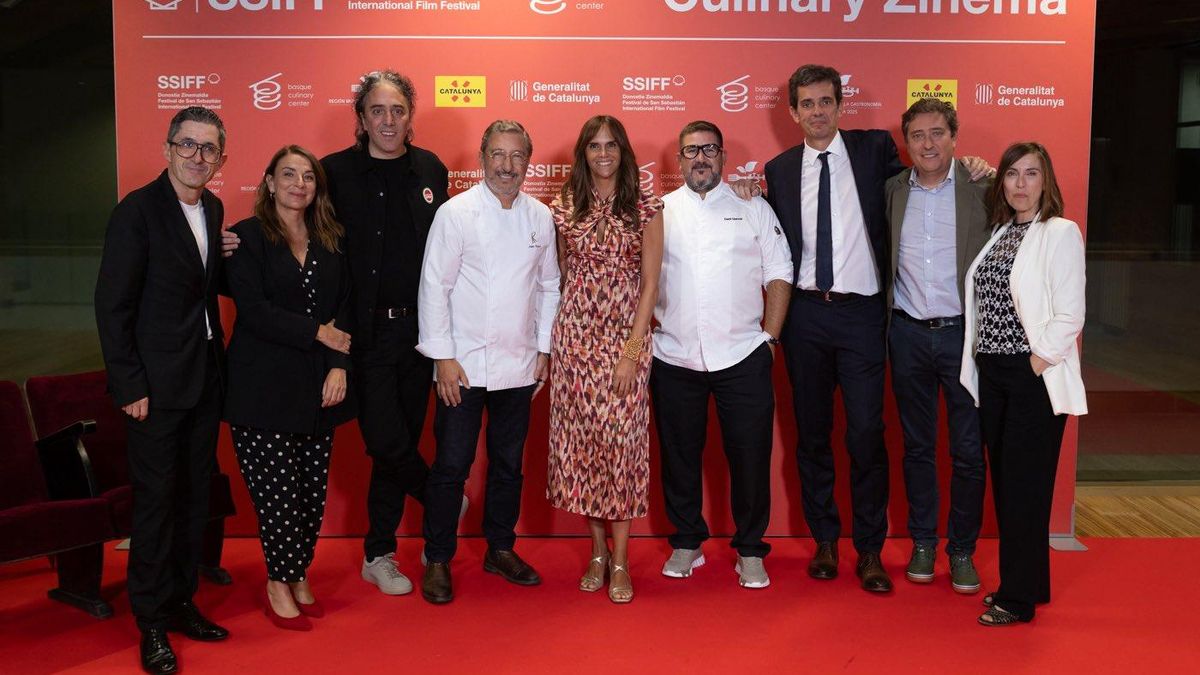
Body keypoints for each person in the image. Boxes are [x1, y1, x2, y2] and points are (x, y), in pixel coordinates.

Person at [764, 64, 992, 593]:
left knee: (867, 433)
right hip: (806, 316)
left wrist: (974, 164)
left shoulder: (875, 153)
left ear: (840, 106)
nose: (818, 111)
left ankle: (869, 550)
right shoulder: (777, 170)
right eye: (807, 103)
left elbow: (932, 174)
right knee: (813, 432)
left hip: (865, 316)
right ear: (794, 111)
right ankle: (824, 539)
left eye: (827, 101)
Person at [95, 106, 230, 675]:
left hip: (203, 379)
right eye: (188, 145)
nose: (198, 157)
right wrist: (129, 384)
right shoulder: (138, 212)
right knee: (154, 507)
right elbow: (112, 304)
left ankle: (179, 603)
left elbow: (195, 286)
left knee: (193, 500)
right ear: (168, 147)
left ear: (220, 158)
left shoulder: (214, 207)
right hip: (152, 387)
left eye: (209, 149)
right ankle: (150, 621)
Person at [416, 120, 560, 604]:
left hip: (519, 366)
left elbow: (548, 285)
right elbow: (435, 285)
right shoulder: (456, 214)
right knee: (451, 465)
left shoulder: (540, 216)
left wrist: (543, 349)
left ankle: (500, 548)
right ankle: (437, 557)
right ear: (483, 158)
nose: (506, 166)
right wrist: (443, 358)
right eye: (498, 155)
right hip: (464, 366)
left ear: (528, 161)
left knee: (507, 465)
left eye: (517, 156)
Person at [320, 70, 452, 595]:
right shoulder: (332, 173)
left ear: (410, 116)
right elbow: (293, 228)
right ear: (361, 118)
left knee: (394, 446)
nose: (388, 120)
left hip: (421, 335)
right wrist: (237, 241)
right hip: (363, 335)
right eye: (377, 110)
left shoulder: (431, 170)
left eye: (397, 110)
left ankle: (379, 553)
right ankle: (439, 495)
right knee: (386, 439)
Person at [653, 120, 793, 589]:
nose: (700, 158)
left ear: (723, 156)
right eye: (690, 150)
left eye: (709, 149)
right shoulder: (660, 210)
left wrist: (769, 340)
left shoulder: (752, 207)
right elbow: (639, 283)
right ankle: (687, 541)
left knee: (751, 458)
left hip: (743, 355)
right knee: (679, 456)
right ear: (679, 158)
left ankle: (751, 550)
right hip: (673, 357)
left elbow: (779, 271)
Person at [222, 145, 356, 630]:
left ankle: (296, 571)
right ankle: (278, 580)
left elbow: (345, 307)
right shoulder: (246, 238)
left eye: (308, 176)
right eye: (288, 174)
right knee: (278, 495)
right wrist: (317, 332)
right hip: (261, 391)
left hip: (318, 389)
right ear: (270, 181)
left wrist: (339, 364)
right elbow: (253, 312)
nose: (299, 183)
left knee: (309, 495)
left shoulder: (330, 237)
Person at [960, 141, 1087, 626]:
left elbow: (1070, 312)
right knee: (1010, 486)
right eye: (1012, 174)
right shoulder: (1000, 232)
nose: (1020, 184)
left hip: (1031, 376)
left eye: (1031, 174)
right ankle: (1033, 584)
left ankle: (1015, 599)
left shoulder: (1060, 232)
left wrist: (1036, 363)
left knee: (1025, 489)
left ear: (1045, 181)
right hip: (992, 373)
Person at [546, 115, 664, 603]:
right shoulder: (564, 207)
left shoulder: (647, 208)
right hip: (574, 348)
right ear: (583, 152)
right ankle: (596, 552)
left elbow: (651, 287)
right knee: (586, 453)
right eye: (594, 145)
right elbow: (562, 274)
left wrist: (630, 355)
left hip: (625, 349)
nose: (603, 153)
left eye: (611, 145)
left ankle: (621, 560)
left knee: (623, 451)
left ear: (624, 151)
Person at [885, 98, 990, 593]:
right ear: (906, 143)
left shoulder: (982, 188)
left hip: (964, 335)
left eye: (937, 134)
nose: (928, 144)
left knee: (969, 450)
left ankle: (962, 550)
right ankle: (924, 541)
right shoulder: (890, 191)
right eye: (918, 136)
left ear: (954, 136)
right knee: (918, 448)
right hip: (906, 333)